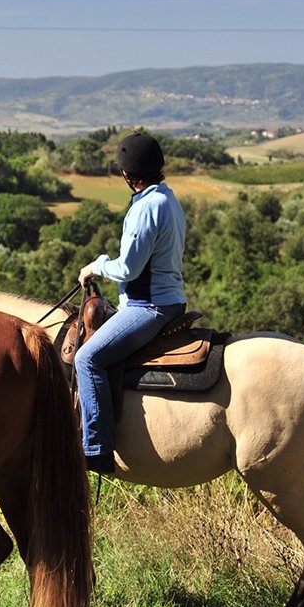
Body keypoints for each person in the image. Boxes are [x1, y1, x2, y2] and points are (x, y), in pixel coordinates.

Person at [75, 132, 187, 475]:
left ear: (127, 174)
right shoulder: (168, 198)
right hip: (169, 300)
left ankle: (95, 448)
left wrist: (97, 265)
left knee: (87, 359)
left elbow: (128, 269)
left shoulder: (146, 208)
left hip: (148, 307)